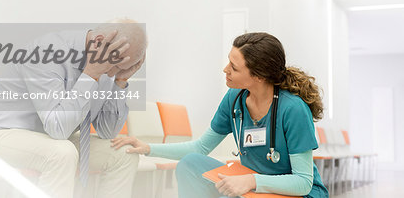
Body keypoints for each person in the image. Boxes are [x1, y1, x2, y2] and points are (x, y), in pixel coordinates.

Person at [111, 32, 329, 198]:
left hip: (295, 194)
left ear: (259, 76)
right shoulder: (234, 99)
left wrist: (252, 181)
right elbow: (199, 148)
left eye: (234, 67)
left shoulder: (293, 109)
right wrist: (148, 148)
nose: (225, 70)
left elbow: (303, 182)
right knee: (191, 163)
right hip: (249, 187)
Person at [0, 19, 147, 198]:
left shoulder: (106, 60)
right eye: (116, 66)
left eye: (121, 69)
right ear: (99, 42)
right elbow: (58, 129)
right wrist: (91, 74)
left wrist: (120, 81)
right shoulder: (44, 52)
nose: (111, 73)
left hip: (53, 138)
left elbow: (107, 131)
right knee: (62, 152)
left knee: (125, 154)